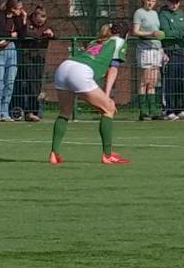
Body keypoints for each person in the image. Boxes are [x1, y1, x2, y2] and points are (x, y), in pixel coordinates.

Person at [48, 22, 132, 165]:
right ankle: (108, 155)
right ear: (126, 34)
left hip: (65, 67)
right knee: (109, 109)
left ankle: (54, 153)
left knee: (64, 113)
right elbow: (113, 69)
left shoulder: (97, 40)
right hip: (80, 71)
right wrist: (107, 96)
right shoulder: (120, 42)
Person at [0, 0, 25, 122]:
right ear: (12, 9)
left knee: (9, 83)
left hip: (11, 49)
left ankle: (5, 112)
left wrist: (24, 19)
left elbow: (22, 34)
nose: (21, 11)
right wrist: (10, 35)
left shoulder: (17, 19)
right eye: (19, 8)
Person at [158, 0, 184, 120]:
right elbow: (166, 32)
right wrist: (182, 34)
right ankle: (169, 109)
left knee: (182, 80)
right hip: (170, 50)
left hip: (181, 50)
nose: (174, 5)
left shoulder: (180, 13)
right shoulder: (163, 14)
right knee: (171, 81)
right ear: (167, 1)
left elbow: (181, 28)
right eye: (172, 2)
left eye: (176, 2)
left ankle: (180, 108)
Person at [14, 6, 55, 122]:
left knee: (37, 84)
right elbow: (26, 34)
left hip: (39, 58)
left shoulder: (46, 26)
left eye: (44, 18)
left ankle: (34, 111)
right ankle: (29, 111)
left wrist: (51, 34)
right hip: (27, 58)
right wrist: (41, 36)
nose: (42, 21)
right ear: (34, 16)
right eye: (39, 18)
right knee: (30, 83)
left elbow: (55, 35)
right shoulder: (27, 23)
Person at [132, 0, 165, 121]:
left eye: (153, 1)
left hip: (156, 48)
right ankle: (143, 110)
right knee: (144, 79)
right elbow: (136, 31)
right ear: (144, 0)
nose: (150, 3)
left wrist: (161, 48)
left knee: (153, 80)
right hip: (145, 48)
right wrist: (150, 33)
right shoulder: (139, 13)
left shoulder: (155, 14)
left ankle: (153, 110)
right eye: (148, 0)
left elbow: (158, 32)